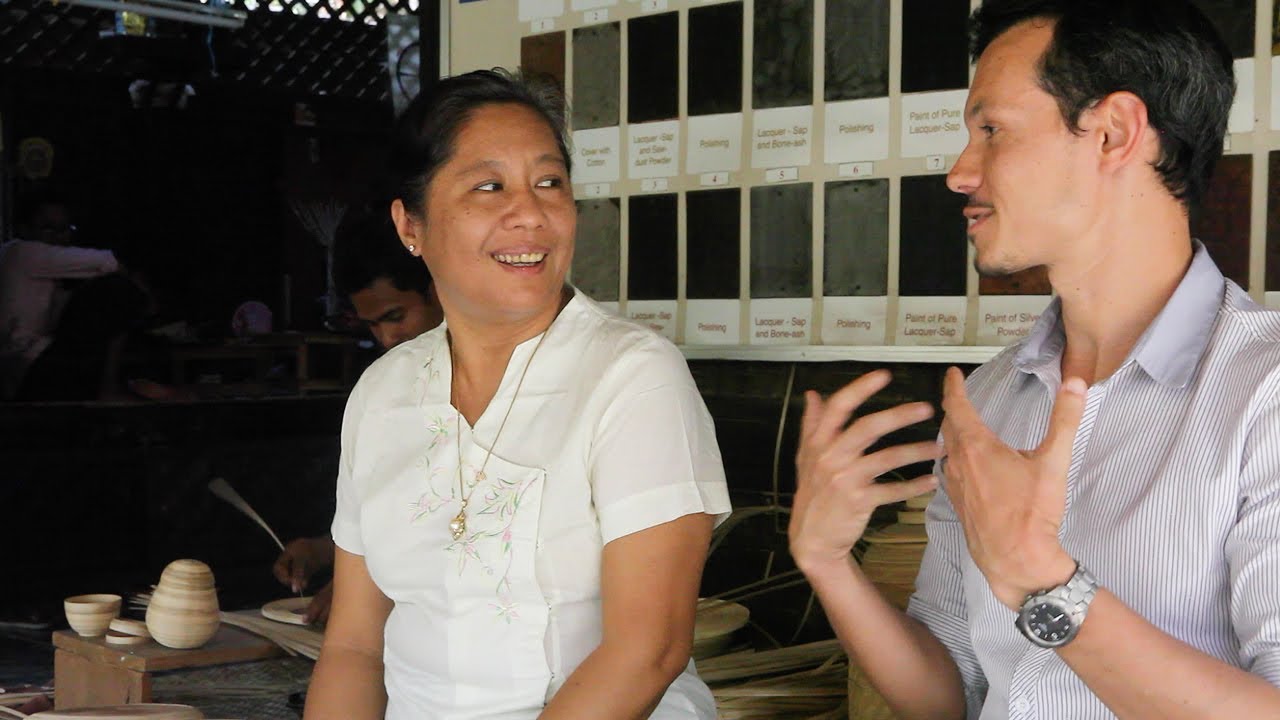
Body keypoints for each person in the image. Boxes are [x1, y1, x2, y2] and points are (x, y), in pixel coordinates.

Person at [789, 1, 1280, 718]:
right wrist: (828, 564)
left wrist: (1047, 584)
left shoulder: (1263, 391)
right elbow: (948, 694)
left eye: (991, 131)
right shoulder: (993, 397)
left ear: (1113, 132)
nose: (961, 173)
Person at [306, 68, 731, 719]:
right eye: (488, 186)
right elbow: (354, 648)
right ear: (409, 224)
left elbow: (648, 650)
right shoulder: (383, 394)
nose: (530, 213)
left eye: (549, 182)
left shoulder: (631, 375)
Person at [272, 210, 444, 623]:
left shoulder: (502, 386)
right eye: (372, 325)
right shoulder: (381, 392)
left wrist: (367, 585)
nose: (386, 339)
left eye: (396, 317)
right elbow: (395, 513)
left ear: (439, 286)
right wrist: (328, 551)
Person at [0, 191, 123, 399]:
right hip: (22, 360)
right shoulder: (23, 253)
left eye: (65, 229)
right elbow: (109, 262)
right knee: (121, 293)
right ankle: (108, 392)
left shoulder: (27, 263)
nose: (58, 237)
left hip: (18, 363)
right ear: (23, 229)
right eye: (48, 228)